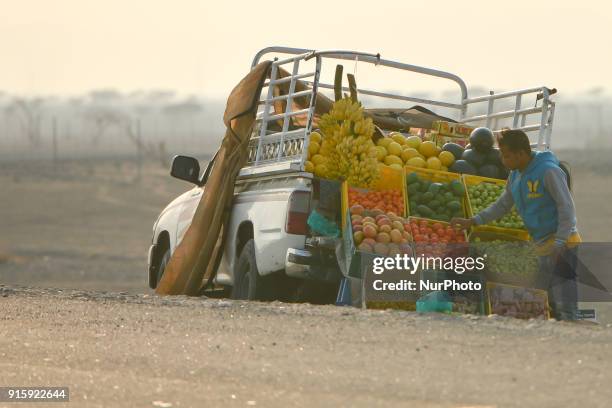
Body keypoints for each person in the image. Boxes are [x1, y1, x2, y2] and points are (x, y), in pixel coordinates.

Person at [451, 128, 582, 321]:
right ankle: (554, 331)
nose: (503, 161)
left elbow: (567, 208)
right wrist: (474, 221)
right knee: (544, 295)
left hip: (563, 241)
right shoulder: (515, 175)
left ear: (521, 153)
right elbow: (503, 205)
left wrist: (560, 243)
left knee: (563, 293)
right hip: (542, 243)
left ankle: (571, 329)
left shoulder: (548, 171)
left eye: (507, 156)